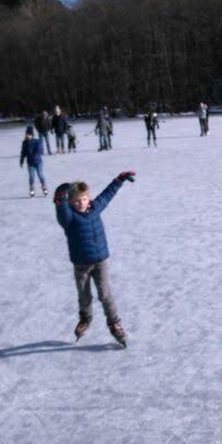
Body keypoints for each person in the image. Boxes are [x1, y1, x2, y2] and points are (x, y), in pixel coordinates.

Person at [54, 172, 135, 347]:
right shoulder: (69, 218)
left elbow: (107, 195)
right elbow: (62, 214)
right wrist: (60, 201)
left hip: (100, 261)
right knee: (84, 296)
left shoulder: (95, 207)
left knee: (105, 294)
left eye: (83, 199)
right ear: (70, 202)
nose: (81, 203)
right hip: (81, 264)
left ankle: (114, 323)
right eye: (76, 201)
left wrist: (118, 181)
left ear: (88, 198)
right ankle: (85, 318)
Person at [19, 125, 48, 197]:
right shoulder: (24, 143)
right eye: (26, 134)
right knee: (31, 176)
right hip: (30, 163)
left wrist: (35, 156)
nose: (27, 136)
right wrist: (21, 161)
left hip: (38, 162)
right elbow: (23, 152)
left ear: (31, 135)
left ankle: (44, 186)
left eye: (28, 134)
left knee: (40, 175)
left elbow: (40, 151)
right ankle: (31, 188)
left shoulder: (37, 142)